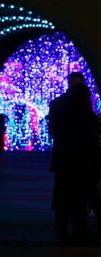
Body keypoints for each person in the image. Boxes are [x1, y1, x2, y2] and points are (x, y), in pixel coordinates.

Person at [47, 72, 101, 240]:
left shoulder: (58, 104)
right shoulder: (85, 106)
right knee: (83, 195)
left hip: (65, 157)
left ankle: (62, 229)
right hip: (84, 159)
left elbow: (54, 130)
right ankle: (80, 229)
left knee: (63, 195)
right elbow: (92, 133)